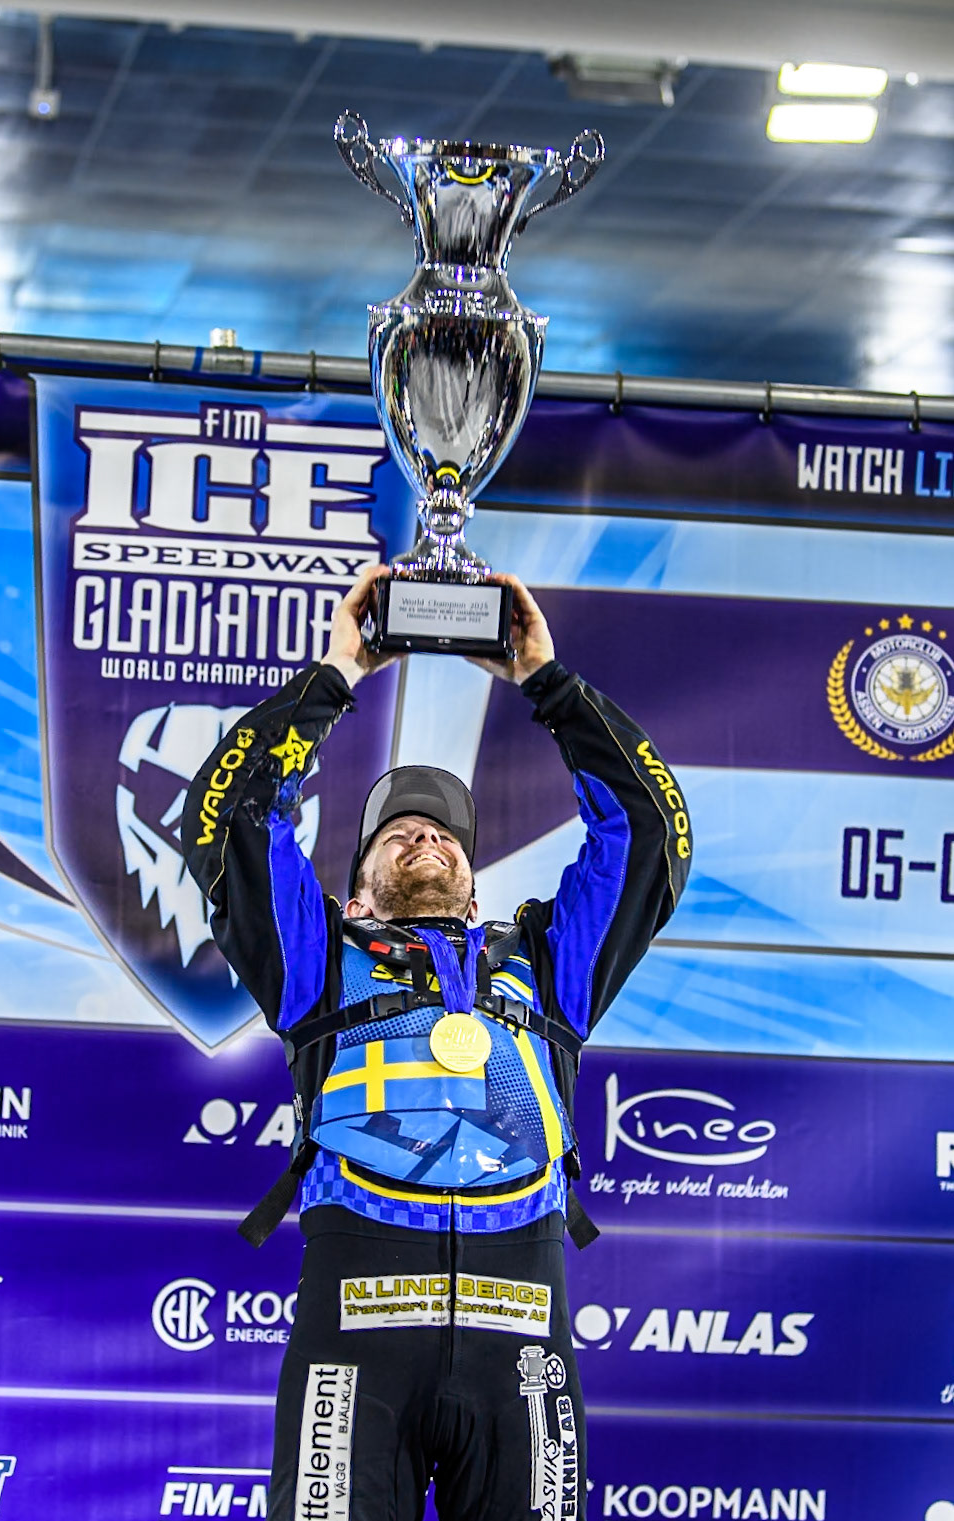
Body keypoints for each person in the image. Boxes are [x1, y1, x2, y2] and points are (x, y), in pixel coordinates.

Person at [181, 565, 691, 1521]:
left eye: (445, 832)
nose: (425, 836)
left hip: (523, 1337)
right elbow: (230, 822)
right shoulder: (317, 956)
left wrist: (548, 683)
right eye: (396, 831)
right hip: (355, 1337)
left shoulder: (549, 959)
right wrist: (336, 675)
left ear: (473, 876)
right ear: (358, 887)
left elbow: (651, 834)